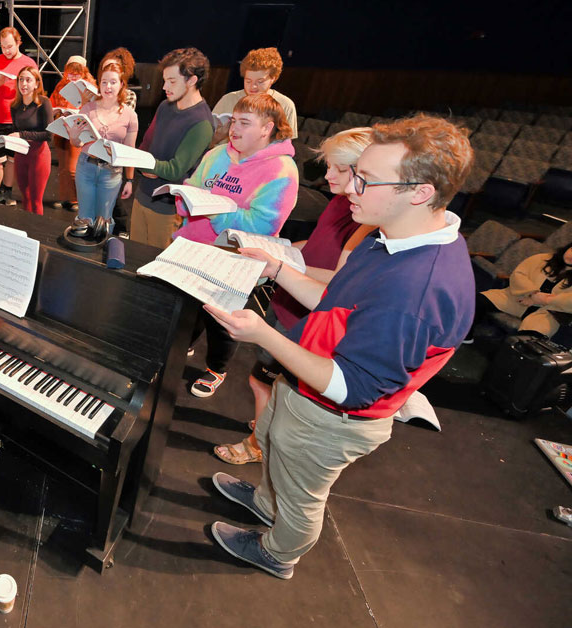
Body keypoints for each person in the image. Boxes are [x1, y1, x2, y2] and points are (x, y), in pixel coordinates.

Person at [204, 114, 475, 579]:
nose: (349, 188)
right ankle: (267, 500)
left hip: (334, 414)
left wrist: (263, 335)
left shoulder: (415, 291)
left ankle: (279, 552)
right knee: (273, 443)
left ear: (420, 191)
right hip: (306, 380)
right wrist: (276, 270)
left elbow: (354, 388)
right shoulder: (390, 233)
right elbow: (338, 300)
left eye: (364, 180)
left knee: (302, 494)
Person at [212, 127, 376, 465]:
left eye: (339, 169)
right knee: (270, 383)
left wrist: (277, 266)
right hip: (291, 295)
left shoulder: (365, 220)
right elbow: (313, 249)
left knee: (264, 380)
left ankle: (258, 444)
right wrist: (277, 250)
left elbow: (337, 286)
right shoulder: (342, 202)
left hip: (305, 310)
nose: (327, 175)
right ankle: (266, 426)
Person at [174, 93, 299, 398]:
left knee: (220, 320)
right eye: (233, 121)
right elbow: (192, 187)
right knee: (187, 304)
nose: (234, 128)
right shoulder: (217, 154)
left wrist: (213, 206)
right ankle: (184, 346)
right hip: (192, 248)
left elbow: (261, 227)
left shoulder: (282, 171)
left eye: (245, 122)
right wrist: (187, 196)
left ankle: (217, 368)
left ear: (267, 128)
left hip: (232, 262)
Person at [129, 48, 216, 250]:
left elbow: (176, 169)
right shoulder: (165, 106)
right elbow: (146, 144)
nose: (165, 86)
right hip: (142, 195)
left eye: (172, 81)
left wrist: (148, 165)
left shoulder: (201, 122)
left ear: (192, 80)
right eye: (165, 80)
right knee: (133, 256)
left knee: (156, 267)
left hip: (167, 208)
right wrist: (138, 163)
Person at [470, 236, 572, 341]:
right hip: (519, 299)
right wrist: (532, 293)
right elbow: (519, 275)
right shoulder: (543, 258)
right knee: (478, 301)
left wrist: (546, 300)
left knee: (528, 340)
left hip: (547, 313)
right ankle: (466, 336)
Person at [71, 61, 137, 235]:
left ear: (122, 84)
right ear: (99, 84)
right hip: (86, 167)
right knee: (84, 218)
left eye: (113, 82)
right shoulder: (87, 109)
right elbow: (77, 143)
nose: (108, 87)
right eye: (104, 82)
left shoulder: (130, 115)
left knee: (104, 220)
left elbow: (130, 150)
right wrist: (74, 135)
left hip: (112, 172)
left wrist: (129, 180)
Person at [0, 27, 38, 205]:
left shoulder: (28, 63)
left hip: (18, 120)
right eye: (3, 47)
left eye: (10, 46)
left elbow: (36, 90)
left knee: (13, 160)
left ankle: (7, 193)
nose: (6, 51)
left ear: (19, 43)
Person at [211, 47, 298, 145]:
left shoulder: (285, 104)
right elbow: (207, 141)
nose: (253, 86)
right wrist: (219, 136)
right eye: (248, 81)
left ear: (273, 79)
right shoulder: (228, 99)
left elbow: (285, 145)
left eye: (260, 81)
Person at [48, 56, 94, 211]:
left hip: (78, 133)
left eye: (77, 73)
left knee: (73, 169)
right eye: (70, 73)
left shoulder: (90, 88)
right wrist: (57, 112)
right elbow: (51, 104)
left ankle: (76, 200)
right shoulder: (61, 86)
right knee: (62, 168)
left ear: (84, 73)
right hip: (62, 131)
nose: (73, 77)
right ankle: (65, 198)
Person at [7, 66, 53, 215]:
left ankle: (37, 235)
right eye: (21, 80)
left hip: (39, 156)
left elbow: (48, 135)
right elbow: (16, 130)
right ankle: (26, 235)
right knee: (25, 198)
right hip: (21, 156)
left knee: (35, 200)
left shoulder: (43, 103)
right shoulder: (15, 106)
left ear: (36, 84)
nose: (24, 84)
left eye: (28, 80)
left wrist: (21, 135)